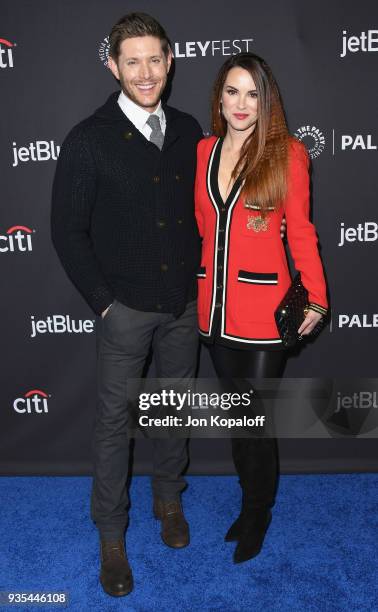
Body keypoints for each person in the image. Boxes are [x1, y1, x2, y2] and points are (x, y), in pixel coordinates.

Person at [51, 13, 204, 597]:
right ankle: (111, 537)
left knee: (173, 410)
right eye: (131, 61)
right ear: (113, 66)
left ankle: (169, 503)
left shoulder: (191, 130)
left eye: (155, 59)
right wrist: (104, 304)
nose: (145, 72)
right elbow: (66, 230)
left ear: (170, 62)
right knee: (115, 426)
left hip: (183, 306)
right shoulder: (89, 139)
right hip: (125, 311)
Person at [194, 52, 328, 564]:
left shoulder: (288, 154)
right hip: (215, 309)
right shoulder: (203, 151)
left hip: (266, 312)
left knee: (255, 422)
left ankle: (258, 511)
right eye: (232, 92)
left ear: (265, 100)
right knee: (238, 418)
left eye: (252, 93)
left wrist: (316, 293)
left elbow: (302, 230)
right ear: (219, 98)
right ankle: (251, 503)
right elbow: (206, 230)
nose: (241, 103)